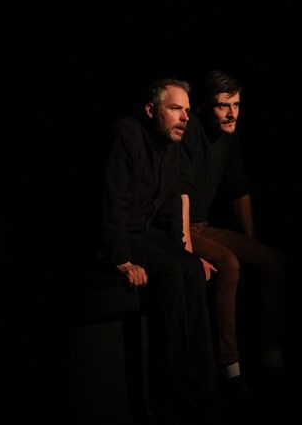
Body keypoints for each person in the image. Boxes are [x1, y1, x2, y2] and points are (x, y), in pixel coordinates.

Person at [98, 77, 220, 424]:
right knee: (169, 273)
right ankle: (171, 396)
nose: (184, 117)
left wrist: (185, 253)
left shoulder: (171, 145)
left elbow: (170, 210)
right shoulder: (127, 134)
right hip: (123, 234)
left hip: (147, 233)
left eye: (186, 110)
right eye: (175, 108)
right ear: (151, 110)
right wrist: (121, 259)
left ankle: (202, 388)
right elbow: (112, 202)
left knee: (190, 268)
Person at [180, 69, 287, 401]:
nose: (231, 113)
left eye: (236, 105)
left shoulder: (229, 135)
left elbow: (239, 188)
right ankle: (230, 370)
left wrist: (250, 243)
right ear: (203, 107)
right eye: (223, 106)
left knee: (271, 260)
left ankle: (271, 356)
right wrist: (186, 249)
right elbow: (178, 194)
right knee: (228, 263)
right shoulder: (190, 131)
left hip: (204, 225)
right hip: (180, 226)